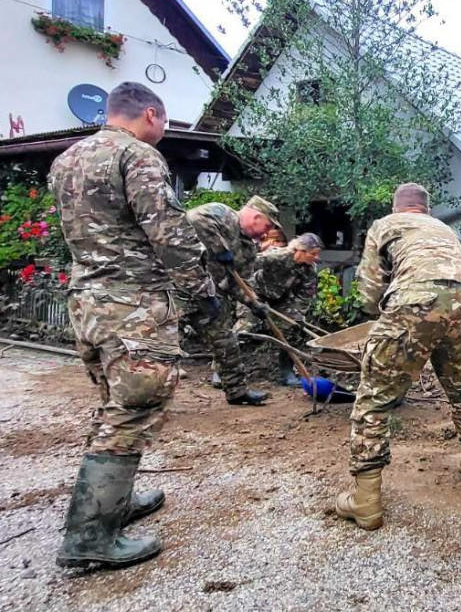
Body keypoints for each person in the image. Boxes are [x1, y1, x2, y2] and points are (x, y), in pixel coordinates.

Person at [48, 81, 218, 568]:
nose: (163, 132)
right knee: (134, 408)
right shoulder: (138, 156)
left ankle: (113, 503)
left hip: (87, 302)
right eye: (164, 123)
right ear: (150, 114)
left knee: (114, 404)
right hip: (133, 305)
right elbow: (167, 232)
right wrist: (202, 293)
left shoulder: (68, 159)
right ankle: (90, 537)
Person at [336, 183, 461, 530]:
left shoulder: (385, 225)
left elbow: (370, 287)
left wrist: (380, 316)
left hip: (413, 300)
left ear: (396, 207)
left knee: (374, 398)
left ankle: (366, 503)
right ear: (426, 209)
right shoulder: (445, 229)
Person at [185, 195, 283, 405]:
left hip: (212, 299)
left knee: (226, 342)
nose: (266, 232)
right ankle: (146, 393)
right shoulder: (221, 213)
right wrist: (219, 247)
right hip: (180, 289)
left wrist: (253, 303)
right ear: (256, 217)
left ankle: (237, 391)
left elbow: (238, 284)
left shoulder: (248, 249)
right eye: (266, 225)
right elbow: (192, 219)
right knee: (162, 341)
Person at [245, 232, 324, 385]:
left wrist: (298, 316)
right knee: (245, 327)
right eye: (313, 254)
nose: (316, 258)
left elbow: (304, 296)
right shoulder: (275, 256)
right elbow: (245, 267)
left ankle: (286, 371)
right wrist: (249, 298)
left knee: (294, 326)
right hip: (254, 292)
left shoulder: (310, 269)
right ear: (300, 251)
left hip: (281, 297)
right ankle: (223, 370)